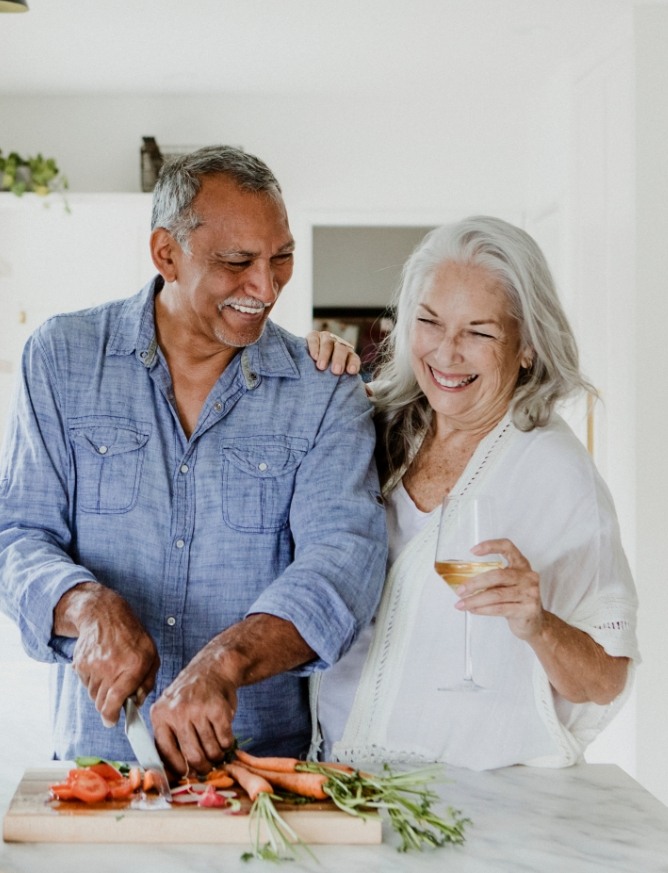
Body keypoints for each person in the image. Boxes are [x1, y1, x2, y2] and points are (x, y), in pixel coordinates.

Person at [0, 145, 387, 776]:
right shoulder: (61, 360)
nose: (265, 287)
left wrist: (225, 661)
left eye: (281, 257)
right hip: (100, 770)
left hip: (262, 773)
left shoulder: (324, 391)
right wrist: (85, 604)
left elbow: (344, 561)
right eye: (237, 263)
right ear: (166, 254)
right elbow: (17, 534)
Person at [307, 215, 639, 770]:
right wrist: (312, 369)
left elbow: (604, 679)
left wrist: (539, 624)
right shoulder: (374, 426)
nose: (446, 352)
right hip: (335, 780)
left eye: (479, 332)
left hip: (470, 804)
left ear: (526, 346)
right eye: (430, 322)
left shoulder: (556, 473)